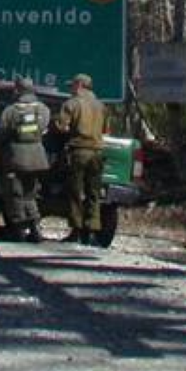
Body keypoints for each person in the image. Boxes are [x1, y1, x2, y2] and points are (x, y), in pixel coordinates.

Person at [55, 72, 109, 244]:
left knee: (75, 192)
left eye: (72, 85)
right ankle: (92, 230)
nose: (71, 88)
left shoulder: (71, 104)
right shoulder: (101, 106)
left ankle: (76, 230)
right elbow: (106, 130)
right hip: (97, 153)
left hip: (78, 151)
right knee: (94, 193)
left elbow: (61, 127)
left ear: (78, 85)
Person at [0, 78, 51, 242]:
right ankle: (35, 227)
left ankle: (19, 229)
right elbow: (45, 128)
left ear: (17, 91)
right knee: (31, 193)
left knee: (16, 194)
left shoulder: (10, 111)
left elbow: (1, 133)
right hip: (38, 158)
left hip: (16, 157)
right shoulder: (43, 109)